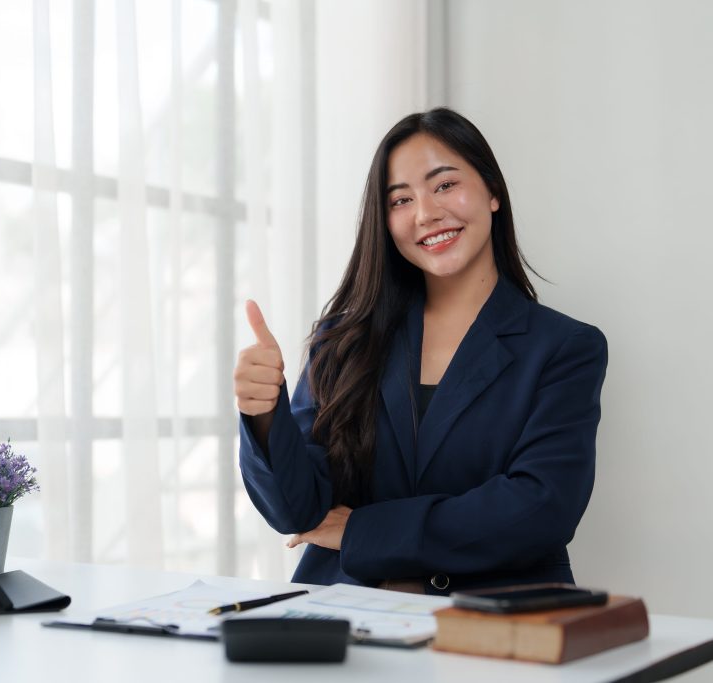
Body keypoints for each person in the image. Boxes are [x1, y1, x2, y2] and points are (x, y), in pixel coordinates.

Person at [234, 107, 608, 595]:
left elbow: (540, 509)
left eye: (445, 185)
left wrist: (360, 531)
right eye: (401, 199)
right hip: (349, 623)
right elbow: (297, 511)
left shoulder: (564, 348)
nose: (426, 213)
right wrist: (261, 413)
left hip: (495, 626)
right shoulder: (342, 342)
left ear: (493, 192)